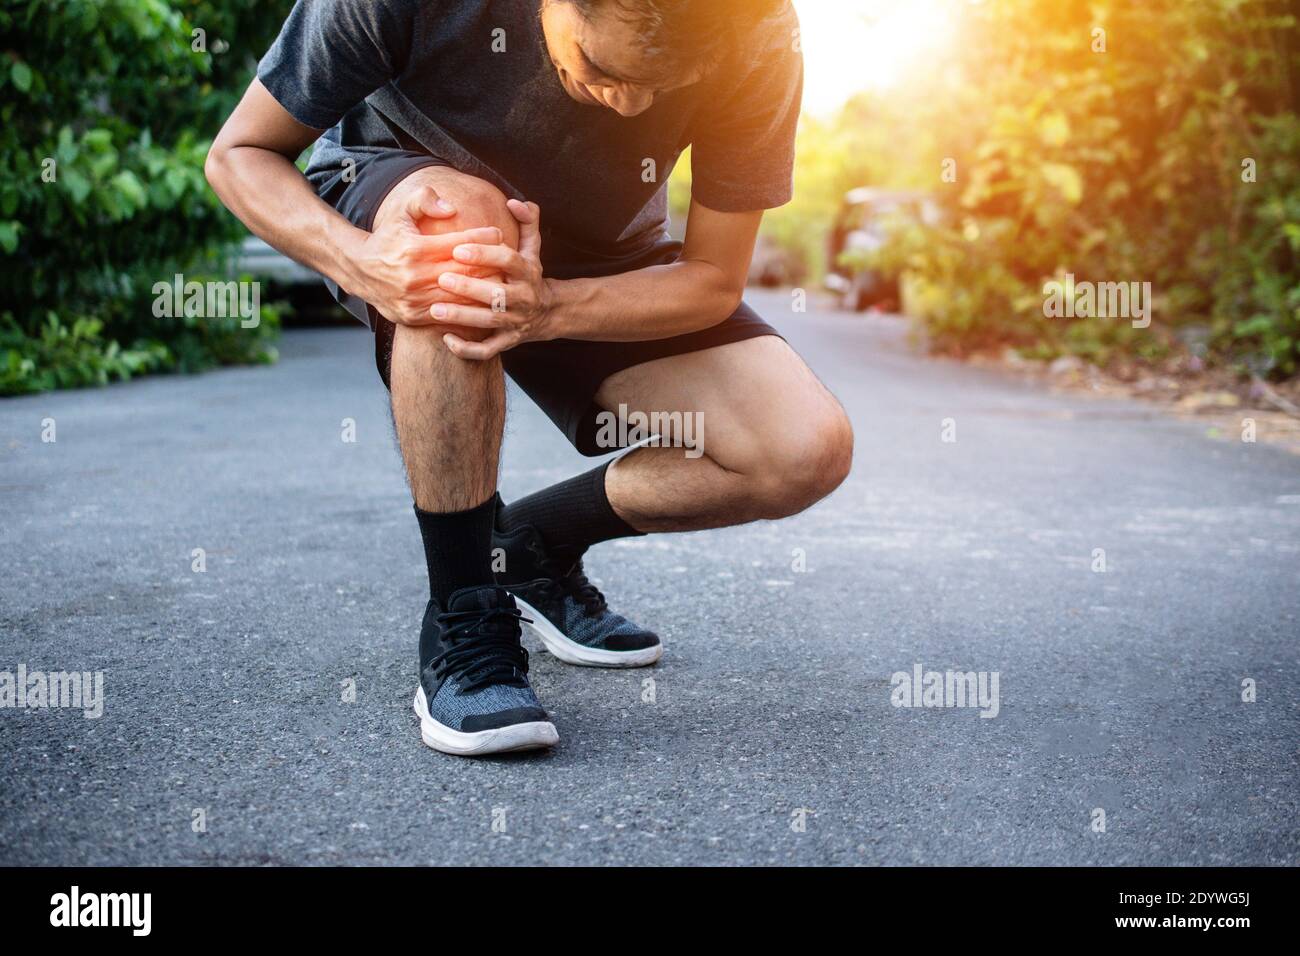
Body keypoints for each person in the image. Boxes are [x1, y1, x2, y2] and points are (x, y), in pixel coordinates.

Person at [206, 0, 853, 756]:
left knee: (804, 449)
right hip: (412, 197)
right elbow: (240, 154)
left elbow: (711, 275)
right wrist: (362, 262)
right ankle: (465, 612)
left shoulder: (759, 28)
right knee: (468, 240)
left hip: (604, 251)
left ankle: (523, 549)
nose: (631, 104)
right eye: (605, 68)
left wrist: (549, 307)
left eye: (666, 85)